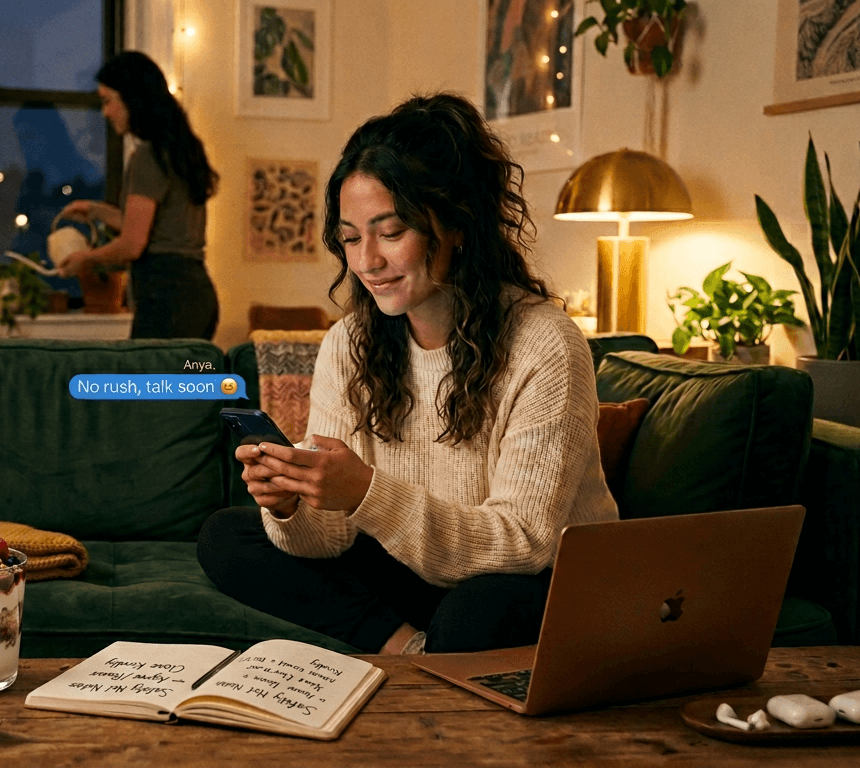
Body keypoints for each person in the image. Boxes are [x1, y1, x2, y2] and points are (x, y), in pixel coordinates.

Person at [197, 93, 618, 656]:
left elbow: (524, 544)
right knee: (230, 535)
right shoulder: (350, 343)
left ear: (457, 225)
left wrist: (367, 492)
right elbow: (333, 538)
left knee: (477, 611)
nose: (366, 261)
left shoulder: (544, 344)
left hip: (533, 577)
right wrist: (292, 504)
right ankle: (408, 650)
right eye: (350, 238)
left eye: (390, 232)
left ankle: (427, 643)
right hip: (415, 570)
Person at [55, 51, 220, 340]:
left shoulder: (147, 156)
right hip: (197, 297)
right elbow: (151, 226)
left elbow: (133, 243)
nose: (105, 112)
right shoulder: (181, 150)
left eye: (108, 101)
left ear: (133, 98)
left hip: (166, 300)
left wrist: (87, 259)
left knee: (149, 386)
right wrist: (95, 210)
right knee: (186, 386)